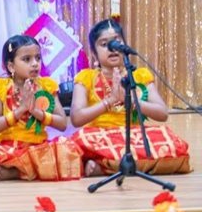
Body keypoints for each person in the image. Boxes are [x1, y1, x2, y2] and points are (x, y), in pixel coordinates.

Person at [70, 19, 190, 176]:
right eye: (104, 44)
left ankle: (104, 166)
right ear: (94, 53)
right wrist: (110, 101)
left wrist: (131, 101)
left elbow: (162, 113)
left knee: (168, 139)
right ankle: (135, 165)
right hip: (100, 136)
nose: (112, 48)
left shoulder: (139, 75)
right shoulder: (86, 77)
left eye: (117, 42)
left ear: (125, 46)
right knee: (80, 140)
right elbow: (76, 118)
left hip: (134, 136)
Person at [0, 34, 82, 180]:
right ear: (11, 66)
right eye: (27, 59)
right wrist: (21, 110)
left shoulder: (47, 86)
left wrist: (36, 112)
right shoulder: (0, 87)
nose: (35, 63)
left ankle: (16, 172)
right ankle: (26, 170)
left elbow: (62, 123)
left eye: (38, 58)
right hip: (8, 148)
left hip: (36, 148)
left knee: (66, 150)